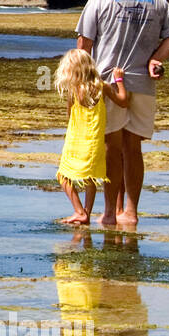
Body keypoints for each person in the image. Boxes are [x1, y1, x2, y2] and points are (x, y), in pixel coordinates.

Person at [75, 0, 169, 226]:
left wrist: (82, 81)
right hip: (142, 81)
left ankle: (109, 212)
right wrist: (156, 59)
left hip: (109, 81)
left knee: (111, 146)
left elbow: (84, 44)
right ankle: (131, 212)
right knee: (133, 148)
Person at [53, 48, 129, 224]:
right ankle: (86, 212)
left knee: (62, 176)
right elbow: (123, 101)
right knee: (90, 178)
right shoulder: (102, 87)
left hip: (75, 141)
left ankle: (79, 211)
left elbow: (70, 116)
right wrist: (119, 80)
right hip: (94, 142)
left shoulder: (73, 91)